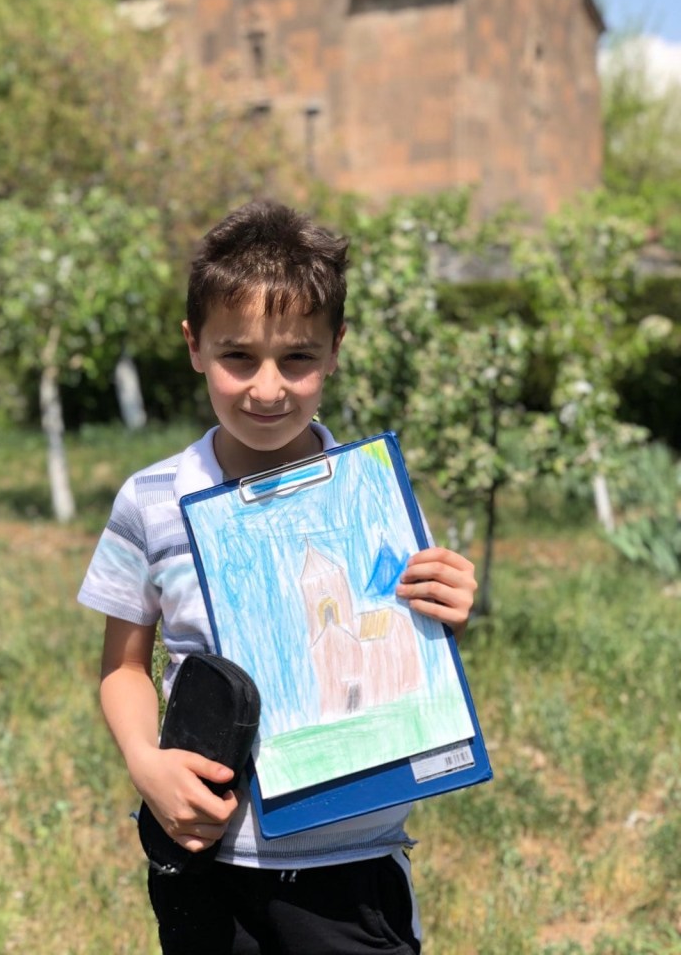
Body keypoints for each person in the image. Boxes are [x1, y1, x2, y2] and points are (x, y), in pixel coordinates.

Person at [78, 199, 477, 954]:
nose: (268, 388)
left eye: (297, 358)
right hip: (207, 860)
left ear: (335, 350)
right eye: (239, 357)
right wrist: (145, 764)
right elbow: (123, 667)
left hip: (354, 867)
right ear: (195, 347)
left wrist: (449, 606)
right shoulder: (151, 501)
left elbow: (414, 637)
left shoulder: (374, 500)